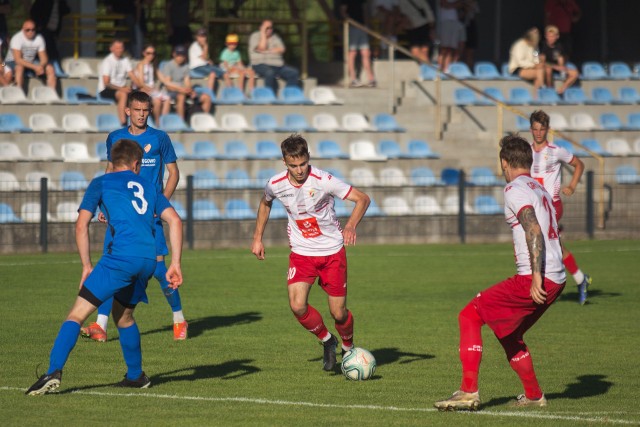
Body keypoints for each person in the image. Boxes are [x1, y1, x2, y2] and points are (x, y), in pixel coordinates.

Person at [25, 138, 183, 395]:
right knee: (123, 316)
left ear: (113, 162)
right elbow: (174, 221)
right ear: (136, 164)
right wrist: (175, 263)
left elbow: (80, 225)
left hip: (119, 258)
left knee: (76, 314)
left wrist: (87, 265)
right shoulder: (149, 186)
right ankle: (136, 377)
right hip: (147, 260)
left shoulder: (101, 183)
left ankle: (53, 370)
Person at [434, 134, 566, 411]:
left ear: (505, 163)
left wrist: (536, 278)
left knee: (469, 314)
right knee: (509, 335)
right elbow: (554, 232)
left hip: (538, 276)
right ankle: (533, 396)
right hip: (558, 276)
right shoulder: (540, 189)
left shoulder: (515, 188)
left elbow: (533, 228)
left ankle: (468, 391)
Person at [251, 134, 370, 372]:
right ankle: (327, 340)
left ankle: (348, 347)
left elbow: (362, 199)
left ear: (308, 159)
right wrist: (257, 238)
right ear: (285, 163)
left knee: (338, 312)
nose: (299, 170)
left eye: (303, 164)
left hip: (332, 252)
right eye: (293, 165)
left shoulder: (324, 180)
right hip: (302, 252)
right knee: (297, 305)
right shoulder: (275, 184)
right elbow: (265, 203)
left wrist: (350, 225)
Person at [80, 91, 189, 342]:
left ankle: (179, 319)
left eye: (145, 110)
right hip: (120, 215)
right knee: (112, 263)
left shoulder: (160, 138)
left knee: (161, 270)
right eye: (137, 110)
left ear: (150, 111)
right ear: (127, 111)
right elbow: (111, 171)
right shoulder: (116, 138)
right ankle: (100, 324)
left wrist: (160, 205)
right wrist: (105, 206)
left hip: (148, 217)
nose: (141, 114)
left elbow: (174, 174)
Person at [529, 110, 591, 304]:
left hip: (553, 204)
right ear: (531, 129)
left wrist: (572, 185)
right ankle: (580, 279)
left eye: (542, 129)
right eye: (535, 129)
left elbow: (579, 164)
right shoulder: (527, 152)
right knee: (550, 244)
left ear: (548, 129)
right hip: (535, 205)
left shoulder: (556, 151)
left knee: (540, 242)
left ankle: (543, 285)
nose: (539, 133)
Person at [158, 44, 212, 121]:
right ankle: (181, 121)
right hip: (172, 92)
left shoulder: (186, 66)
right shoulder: (168, 66)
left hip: (183, 90)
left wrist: (189, 90)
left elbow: (187, 82)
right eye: (178, 55)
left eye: (182, 55)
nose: (180, 57)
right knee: (181, 96)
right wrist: (182, 90)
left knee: (206, 97)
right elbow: (168, 86)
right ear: (174, 54)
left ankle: (202, 121)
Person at [248, 20, 300, 95]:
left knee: (293, 72)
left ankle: (289, 95)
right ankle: (269, 95)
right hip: (259, 64)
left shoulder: (275, 37)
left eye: (271, 28)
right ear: (261, 28)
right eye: (267, 28)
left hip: (277, 65)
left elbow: (282, 49)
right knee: (269, 72)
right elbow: (262, 47)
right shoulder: (255, 36)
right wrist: (263, 34)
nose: (269, 30)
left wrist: (267, 51)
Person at [4, 19, 57, 91]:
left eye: (33, 29)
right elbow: (18, 60)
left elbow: (44, 58)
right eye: (27, 30)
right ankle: (18, 92)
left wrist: (40, 66)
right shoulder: (17, 38)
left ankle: (51, 93)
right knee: (19, 68)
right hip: (10, 62)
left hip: (30, 62)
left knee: (50, 68)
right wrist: (35, 67)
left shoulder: (39, 38)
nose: (31, 32)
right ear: (23, 30)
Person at [131, 44, 171, 125]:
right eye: (148, 53)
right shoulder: (141, 65)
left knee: (167, 99)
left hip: (151, 90)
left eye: (153, 53)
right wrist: (151, 90)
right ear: (144, 53)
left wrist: (169, 81)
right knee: (157, 101)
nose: (151, 55)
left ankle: (164, 120)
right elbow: (141, 83)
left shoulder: (153, 66)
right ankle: (158, 122)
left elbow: (163, 79)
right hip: (142, 89)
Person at [339, 0, 376, 87]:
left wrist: (367, 25)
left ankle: (371, 78)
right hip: (353, 27)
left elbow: (365, 11)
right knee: (352, 53)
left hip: (362, 27)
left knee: (366, 52)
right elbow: (343, 12)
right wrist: (351, 22)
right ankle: (353, 78)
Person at [98, 40, 134, 127]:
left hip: (122, 88)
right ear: (111, 49)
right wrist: (122, 89)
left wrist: (143, 86)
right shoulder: (107, 61)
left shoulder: (125, 60)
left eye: (121, 48)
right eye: (117, 48)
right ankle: (124, 123)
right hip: (107, 89)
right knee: (123, 94)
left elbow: (133, 76)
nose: (119, 50)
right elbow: (106, 83)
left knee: (140, 95)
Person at [539, 25, 578, 95]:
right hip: (548, 67)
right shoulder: (543, 46)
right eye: (549, 36)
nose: (550, 38)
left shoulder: (559, 46)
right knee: (548, 70)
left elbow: (562, 58)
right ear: (546, 36)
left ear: (557, 37)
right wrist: (555, 67)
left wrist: (561, 66)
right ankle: (550, 91)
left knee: (575, 73)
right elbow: (542, 62)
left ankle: (561, 89)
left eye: (552, 36)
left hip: (558, 67)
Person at [189, 27, 229, 92]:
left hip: (204, 66)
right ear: (197, 37)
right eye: (200, 36)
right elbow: (204, 57)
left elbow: (205, 59)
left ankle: (231, 91)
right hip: (197, 67)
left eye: (204, 36)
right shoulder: (195, 46)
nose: (202, 39)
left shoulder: (201, 46)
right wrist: (206, 46)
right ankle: (210, 94)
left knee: (223, 71)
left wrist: (209, 61)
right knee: (218, 73)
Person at [30, 0, 70, 65]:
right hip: (43, 29)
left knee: (49, 49)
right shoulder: (43, 2)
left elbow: (67, 10)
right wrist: (39, 25)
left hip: (54, 30)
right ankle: (53, 65)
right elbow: (33, 11)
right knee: (50, 49)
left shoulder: (60, 2)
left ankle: (50, 65)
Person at [507, 27, 544, 94]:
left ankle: (537, 95)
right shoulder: (519, 45)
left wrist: (537, 63)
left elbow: (536, 57)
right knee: (539, 73)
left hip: (531, 67)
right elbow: (520, 62)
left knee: (540, 71)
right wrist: (533, 65)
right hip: (518, 68)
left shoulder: (535, 46)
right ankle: (542, 90)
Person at [437, 0, 465, 72]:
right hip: (444, 22)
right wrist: (454, 4)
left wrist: (453, 5)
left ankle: (446, 69)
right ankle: (439, 69)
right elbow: (443, 4)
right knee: (443, 49)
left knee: (450, 49)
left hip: (454, 22)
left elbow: (461, 4)